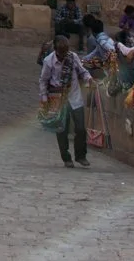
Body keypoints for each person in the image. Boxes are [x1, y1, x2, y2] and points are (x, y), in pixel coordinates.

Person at [38, 35, 94, 168]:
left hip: (74, 96)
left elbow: (83, 71)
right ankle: (66, 157)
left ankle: (81, 155)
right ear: (56, 51)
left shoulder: (73, 57)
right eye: (61, 53)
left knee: (80, 128)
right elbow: (43, 81)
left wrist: (89, 78)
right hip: (57, 98)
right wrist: (44, 100)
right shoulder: (49, 61)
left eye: (65, 52)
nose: (63, 56)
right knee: (62, 129)